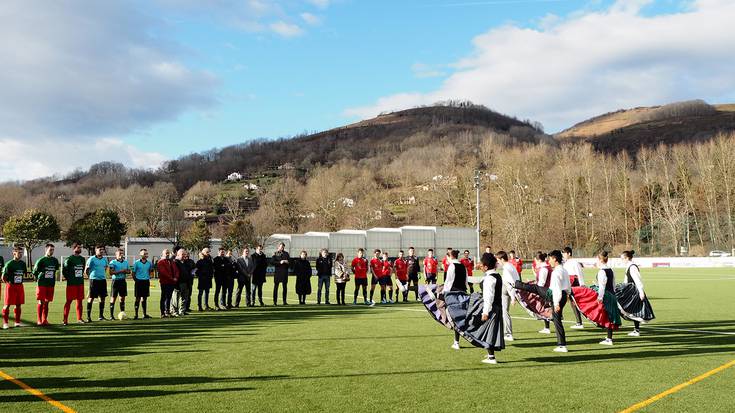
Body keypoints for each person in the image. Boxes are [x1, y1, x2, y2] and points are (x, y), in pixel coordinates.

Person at [514, 250, 570, 353]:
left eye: (550, 259)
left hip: (555, 296)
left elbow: (557, 289)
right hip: (562, 295)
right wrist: (566, 296)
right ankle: (518, 284)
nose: (549, 261)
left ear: (555, 259)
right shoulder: (563, 270)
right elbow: (568, 286)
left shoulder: (556, 272)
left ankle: (562, 345)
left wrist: (556, 303)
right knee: (536, 288)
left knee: (557, 321)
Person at [458, 254, 506, 364]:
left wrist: (485, 312)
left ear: (485, 267)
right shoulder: (497, 276)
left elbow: (489, 297)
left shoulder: (489, 279)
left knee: (486, 331)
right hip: (497, 307)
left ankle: (491, 357)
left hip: (491, 308)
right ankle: (490, 355)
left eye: (481, 264)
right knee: (491, 331)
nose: (479, 266)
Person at [616, 250, 655, 337]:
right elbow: (626, 280)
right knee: (631, 309)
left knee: (634, 309)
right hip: (629, 290)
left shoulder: (632, 267)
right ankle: (636, 330)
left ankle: (636, 330)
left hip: (634, 291)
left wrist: (641, 292)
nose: (621, 260)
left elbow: (638, 280)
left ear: (627, 258)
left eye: (622, 258)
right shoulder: (629, 266)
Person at [442, 250, 467, 350]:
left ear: (450, 257)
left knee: (454, 317)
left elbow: (449, 281)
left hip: (453, 294)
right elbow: (466, 280)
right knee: (461, 317)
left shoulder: (452, 266)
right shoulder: (463, 266)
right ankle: (456, 341)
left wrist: (444, 292)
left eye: (447, 257)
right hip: (463, 293)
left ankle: (456, 342)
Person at [496, 250, 520, 342]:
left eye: (498, 260)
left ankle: (508, 334)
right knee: (504, 312)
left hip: (506, 291)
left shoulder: (506, 268)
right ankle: (506, 332)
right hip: (507, 291)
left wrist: (513, 297)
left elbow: (510, 283)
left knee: (504, 312)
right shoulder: (510, 266)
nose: (498, 262)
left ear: (502, 259)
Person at [33, 244, 59, 326]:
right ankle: (39, 320)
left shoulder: (55, 260)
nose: (52, 251)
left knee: (47, 302)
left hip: (51, 284)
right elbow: (35, 272)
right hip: (42, 284)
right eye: (50, 250)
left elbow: (56, 271)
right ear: (46, 250)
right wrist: (40, 278)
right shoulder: (41, 260)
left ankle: (45, 320)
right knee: (41, 301)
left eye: (53, 250)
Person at [2, 246, 27, 329]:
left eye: (21, 253)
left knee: (18, 304)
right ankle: (5, 323)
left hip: (19, 286)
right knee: (7, 304)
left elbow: (24, 273)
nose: (20, 254)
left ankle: (17, 322)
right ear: (14, 253)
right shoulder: (9, 263)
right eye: (18, 253)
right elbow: (3, 277)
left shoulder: (23, 264)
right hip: (11, 286)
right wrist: (9, 284)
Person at [62, 243, 86, 325]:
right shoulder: (69, 259)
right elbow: (64, 271)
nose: (80, 249)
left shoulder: (82, 259)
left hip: (80, 283)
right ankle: (65, 320)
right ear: (74, 249)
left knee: (80, 301)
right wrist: (70, 278)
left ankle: (79, 318)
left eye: (80, 247)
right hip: (72, 284)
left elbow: (82, 270)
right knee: (69, 301)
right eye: (78, 247)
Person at [562, 247, 586, 329]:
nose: (563, 255)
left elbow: (579, 273)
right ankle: (579, 322)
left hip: (574, 282)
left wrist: (582, 284)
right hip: (569, 283)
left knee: (575, 302)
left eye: (564, 253)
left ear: (569, 253)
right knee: (573, 303)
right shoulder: (566, 263)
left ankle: (580, 322)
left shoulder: (574, 262)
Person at [85, 245, 109, 322]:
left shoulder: (105, 260)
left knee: (102, 298)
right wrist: (90, 277)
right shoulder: (91, 259)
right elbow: (86, 270)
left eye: (102, 250)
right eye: (99, 250)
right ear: (96, 250)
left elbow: (105, 268)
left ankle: (101, 316)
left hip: (102, 280)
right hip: (94, 281)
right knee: (91, 298)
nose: (101, 251)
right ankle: (88, 317)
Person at [108, 248, 130, 319]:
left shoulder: (126, 262)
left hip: (123, 281)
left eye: (122, 253)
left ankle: (122, 314)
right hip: (115, 281)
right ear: (116, 255)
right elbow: (111, 273)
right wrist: (121, 271)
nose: (121, 255)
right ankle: (111, 316)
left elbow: (129, 271)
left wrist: (126, 271)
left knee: (122, 298)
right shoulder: (112, 262)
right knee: (113, 298)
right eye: (120, 254)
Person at [534, 252, 553, 334]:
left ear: (538, 260)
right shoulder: (545, 267)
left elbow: (542, 283)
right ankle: (546, 327)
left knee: (547, 309)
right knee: (545, 309)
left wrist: (535, 288)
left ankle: (549, 327)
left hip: (545, 291)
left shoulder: (544, 269)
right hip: (546, 290)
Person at [157, 249, 179, 318]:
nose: (167, 254)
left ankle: (168, 311)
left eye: (168, 253)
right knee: (164, 297)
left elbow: (176, 270)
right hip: (165, 282)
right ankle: (162, 312)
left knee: (169, 297)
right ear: (163, 254)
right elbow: (163, 272)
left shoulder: (171, 261)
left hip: (171, 282)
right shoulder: (160, 262)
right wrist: (172, 278)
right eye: (166, 253)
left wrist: (176, 277)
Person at [132, 248, 153, 319]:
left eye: (147, 254)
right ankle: (136, 315)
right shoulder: (136, 263)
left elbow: (150, 271)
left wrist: (149, 276)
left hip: (146, 282)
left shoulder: (149, 263)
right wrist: (136, 280)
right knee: (137, 298)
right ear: (140, 254)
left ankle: (144, 314)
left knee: (144, 299)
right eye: (144, 254)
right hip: (139, 282)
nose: (146, 255)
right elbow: (133, 273)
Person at [173, 248, 193, 316]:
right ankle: (174, 312)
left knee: (184, 298)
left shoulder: (186, 262)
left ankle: (182, 311)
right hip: (178, 283)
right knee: (176, 299)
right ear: (178, 255)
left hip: (186, 283)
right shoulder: (175, 262)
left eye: (185, 254)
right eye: (182, 254)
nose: (184, 256)